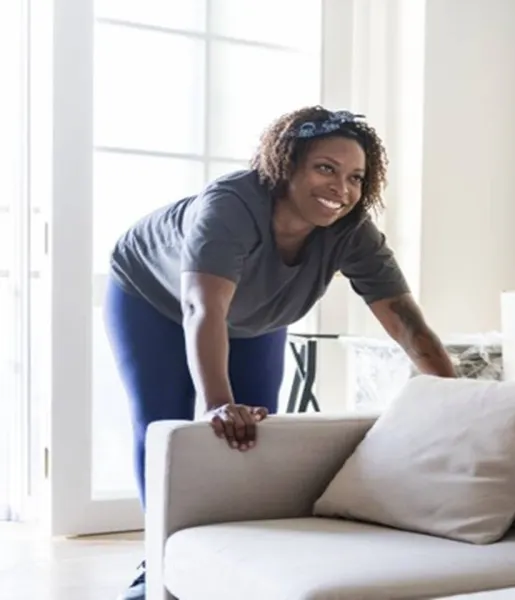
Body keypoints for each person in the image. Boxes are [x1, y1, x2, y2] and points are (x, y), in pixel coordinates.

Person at [103, 106, 456, 600]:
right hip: (154, 299)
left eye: (355, 177)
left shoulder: (351, 231)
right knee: (167, 425)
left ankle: (233, 557)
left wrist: (458, 400)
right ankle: (157, 562)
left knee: (252, 435)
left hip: (257, 316)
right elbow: (202, 307)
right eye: (325, 168)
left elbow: (405, 321)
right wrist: (217, 403)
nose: (341, 188)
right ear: (286, 165)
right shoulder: (229, 206)